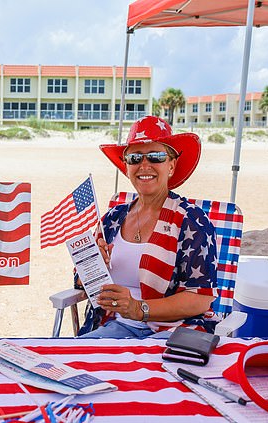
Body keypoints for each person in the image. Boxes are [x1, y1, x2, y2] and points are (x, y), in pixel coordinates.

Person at [78, 115, 218, 339]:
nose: (144, 165)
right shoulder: (111, 219)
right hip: (113, 328)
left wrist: (139, 309)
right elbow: (84, 285)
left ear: (171, 165)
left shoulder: (192, 221)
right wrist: (93, 268)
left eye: (155, 156)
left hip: (172, 331)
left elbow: (201, 299)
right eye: (134, 158)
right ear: (126, 166)